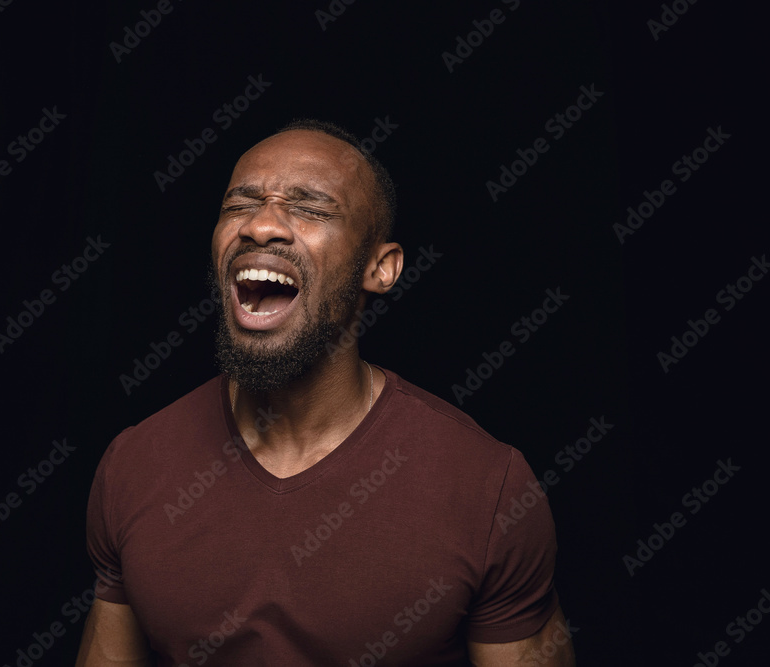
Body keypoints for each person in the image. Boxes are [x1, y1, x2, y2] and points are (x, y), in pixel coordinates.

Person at [75, 120, 575, 666]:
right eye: (239, 206)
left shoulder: (489, 488)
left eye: (310, 209)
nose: (261, 226)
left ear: (380, 269)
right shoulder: (135, 463)